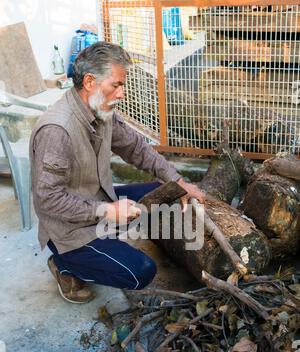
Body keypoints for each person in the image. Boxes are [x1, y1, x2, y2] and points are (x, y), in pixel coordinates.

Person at [29, 41, 205, 304]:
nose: (121, 93)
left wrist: (178, 181)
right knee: (141, 273)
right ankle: (63, 265)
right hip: (70, 231)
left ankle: (109, 237)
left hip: (98, 203)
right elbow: (48, 199)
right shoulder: (57, 130)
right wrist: (108, 212)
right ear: (90, 82)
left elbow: (136, 148)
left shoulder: (101, 109)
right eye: (117, 85)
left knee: (167, 194)